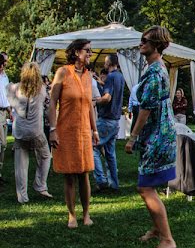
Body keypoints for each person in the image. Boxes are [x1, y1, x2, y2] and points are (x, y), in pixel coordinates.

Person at [125, 26, 177, 248]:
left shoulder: (156, 73)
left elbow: (146, 110)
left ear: (155, 45)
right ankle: (158, 229)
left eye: (145, 41)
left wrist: (132, 137)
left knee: (145, 186)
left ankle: (167, 239)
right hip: (157, 133)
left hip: (157, 135)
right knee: (149, 185)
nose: (140, 44)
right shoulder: (155, 68)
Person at [48, 39, 99, 229]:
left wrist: (95, 130)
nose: (90, 54)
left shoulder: (88, 75)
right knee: (69, 174)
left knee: (84, 173)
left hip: (84, 131)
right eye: (87, 50)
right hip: (65, 130)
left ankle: (86, 214)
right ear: (77, 52)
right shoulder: (63, 72)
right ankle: (72, 215)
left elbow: (89, 107)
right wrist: (52, 130)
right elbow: (52, 102)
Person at [6, 62, 52, 203]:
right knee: (45, 156)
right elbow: (48, 106)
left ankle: (22, 196)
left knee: (20, 164)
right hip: (35, 131)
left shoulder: (14, 88)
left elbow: (10, 98)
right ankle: (40, 184)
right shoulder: (41, 90)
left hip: (19, 130)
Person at [93, 54, 125, 193]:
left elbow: (107, 98)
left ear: (109, 63)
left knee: (92, 146)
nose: (104, 65)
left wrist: (93, 102)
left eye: (105, 63)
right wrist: (101, 83)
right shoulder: (120, 77)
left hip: (106, 119)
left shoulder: (111, 77)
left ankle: (101, 180)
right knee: (110, 153)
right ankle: (114, 184)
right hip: (115, 120)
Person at [0, 52, 11, 184]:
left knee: (3, 145)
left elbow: (5, 95)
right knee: (1, 143)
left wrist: (10, 110)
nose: (4, 65)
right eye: (3, 63)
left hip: (4, 112)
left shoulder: (5, 77)